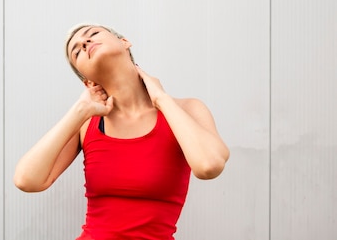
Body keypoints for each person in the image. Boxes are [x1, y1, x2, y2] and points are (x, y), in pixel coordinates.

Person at [13, 24, 230, 240]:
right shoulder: (86, 124)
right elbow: (27, 180)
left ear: (124, 42)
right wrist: (79, 111)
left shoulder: (186, 110)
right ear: (87, 81)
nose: (85, 43)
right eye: (77, 51)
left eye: (93, 35)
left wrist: (161, 98)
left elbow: (209, 166)